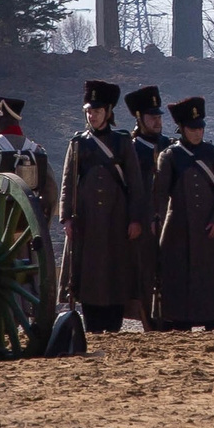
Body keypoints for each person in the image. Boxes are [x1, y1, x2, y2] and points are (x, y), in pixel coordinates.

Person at [150, 96, 214, 331]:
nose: (197, 132)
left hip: (210, 230)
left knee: (211, 285)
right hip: (178, 231)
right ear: (182, 129)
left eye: (200, 127)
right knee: (178, 284)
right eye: (192, 128)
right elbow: (160, 195)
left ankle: (213, 322)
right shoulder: (169, 156)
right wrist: (155, 223)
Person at [60, 82, 143, 333]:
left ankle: (113, 326)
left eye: (96, 110)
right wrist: (67, 219)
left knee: (115, 274)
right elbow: (67, 183)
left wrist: (135, 218)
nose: (91, 115)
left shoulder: (122, 142)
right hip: (86, 221)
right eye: (88, 110)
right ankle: (92, 326)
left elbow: (135, 184)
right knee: (88, 277)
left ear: (107, 111)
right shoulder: (78, 143)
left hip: (116, 220)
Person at [0, 91, 58, 222]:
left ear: (0, 120)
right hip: (29, 224)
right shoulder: (37, 150)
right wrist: (44, 224)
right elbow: (51, 191)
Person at [124, 85, 167, 326]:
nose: (157, 121)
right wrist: (138, 219)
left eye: (159, 116)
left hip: (165, 220)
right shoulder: (131, 148)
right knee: (143, 275)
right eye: (152, 117)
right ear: (140, 118)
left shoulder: (168, 145)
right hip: (142, 223)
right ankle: (148, 321)